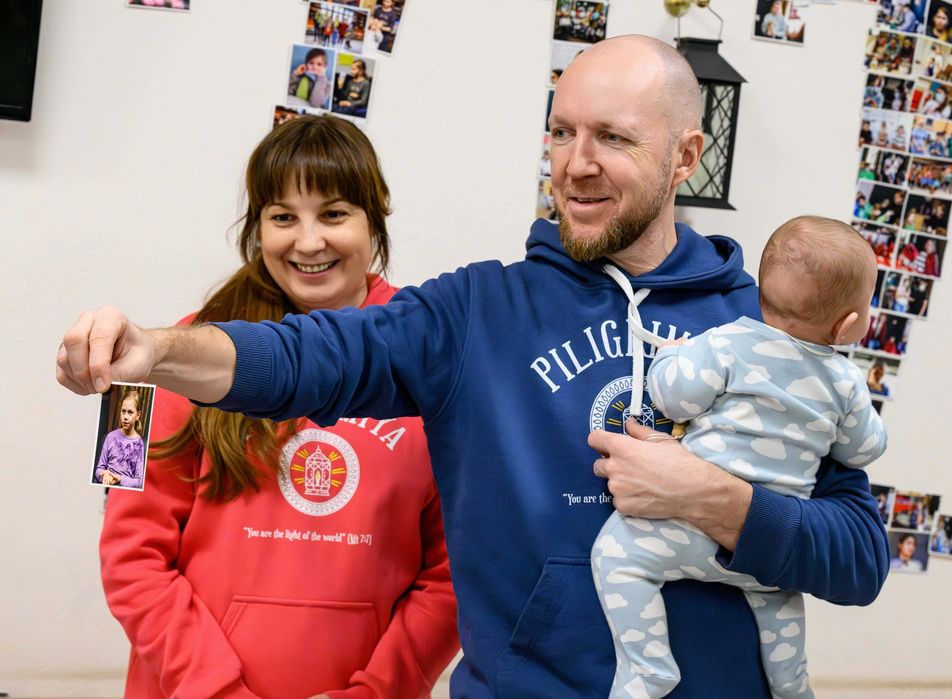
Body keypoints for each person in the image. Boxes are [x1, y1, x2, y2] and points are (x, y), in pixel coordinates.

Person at [58, 36, 890, 698]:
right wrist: (156, 351)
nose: (576, 162)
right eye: (561, 133)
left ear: (685, 156)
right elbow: (301, 362)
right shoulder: (467, 313)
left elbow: (858, 556)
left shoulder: (769, 327)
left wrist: (722, 502)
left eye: (613, 137)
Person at [97, 116, 460, 698]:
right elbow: (126, 556)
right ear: (257, 226)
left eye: (334, 214)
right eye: (283, 217)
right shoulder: (164, 353)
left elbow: (454, 571)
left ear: (375, 217)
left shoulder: (440, 355)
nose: (308, 242)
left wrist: (376, 692)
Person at [593, 216, 887, 699]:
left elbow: (674, 400)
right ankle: (792, 685)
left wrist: (671, 357)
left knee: (616, 555)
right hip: (760, 553)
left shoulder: (726, 343)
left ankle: (649, 669)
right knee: (780, 601)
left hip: (685, 534)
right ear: (848, 325)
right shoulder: (846, 382)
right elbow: (863, 450)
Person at [95, 388, 146, 489]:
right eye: (123, 411)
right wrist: (104, 474)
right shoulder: (110, 437)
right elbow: (98, 470)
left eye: (130, 412)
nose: (125, 417)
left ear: (138, 415)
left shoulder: (139, 443)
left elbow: (139, 481)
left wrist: (120, 479)